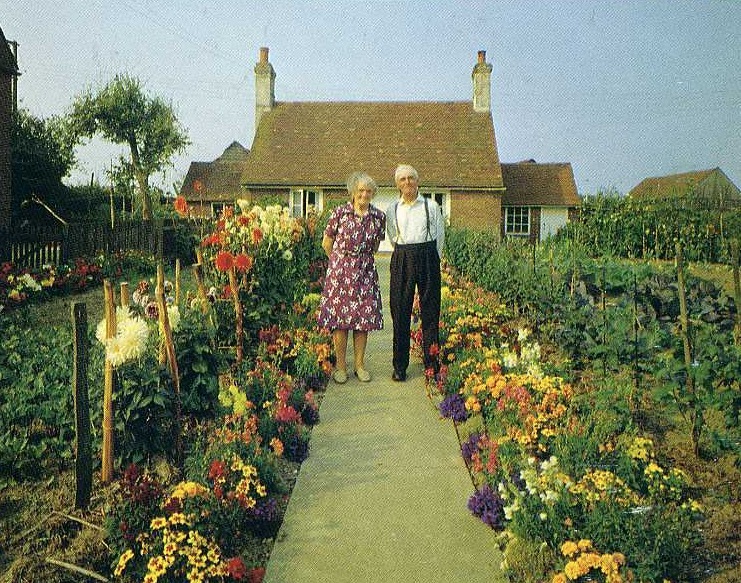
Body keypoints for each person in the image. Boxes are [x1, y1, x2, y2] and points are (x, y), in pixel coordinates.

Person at [317, 172, 386, 383]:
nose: (364, 194)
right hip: (340, 273)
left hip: (365, 273)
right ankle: (340, 367)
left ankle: (359, 365)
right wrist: (339, 263)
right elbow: (326, 243)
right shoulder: (340, 213)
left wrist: (360, 261)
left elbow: (375, 245)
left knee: (362, 320)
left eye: (368, 191)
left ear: (372, 193)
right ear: (353, 192)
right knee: (340, 321)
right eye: (361, 191)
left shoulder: (378, 217)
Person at [385, 164, 445, 382]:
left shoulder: (431, 206)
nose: (407, 182)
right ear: (397, 184)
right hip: (403, 256)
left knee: (431, 312)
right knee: (400, 312)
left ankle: (432, 365)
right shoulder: (392, 209)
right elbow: (392, 236)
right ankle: (399, 366)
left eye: (411, 178)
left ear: (417, 181)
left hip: (428, 255)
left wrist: (431, 257)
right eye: (403, 179)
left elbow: (439, 236)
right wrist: (405, 254)